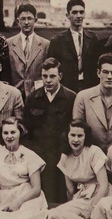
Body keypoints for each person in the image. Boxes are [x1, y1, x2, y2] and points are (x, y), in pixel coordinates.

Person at [44, 120, 109, 219]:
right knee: (54, 215)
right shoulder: (65, 156)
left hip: (99, 196)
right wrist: (71, 210)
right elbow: (70, 190)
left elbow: (104, 185)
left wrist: (91, 207)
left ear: (86, 137)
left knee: (62, 218)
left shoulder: (93, 152)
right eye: (72, 135)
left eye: (80, 136)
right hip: (81, 197)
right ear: (67, 136)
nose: (76, 140)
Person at [23, 58, 77, 204]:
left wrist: (67, 152)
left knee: (62, 197)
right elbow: (27, 129)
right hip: (39, 156)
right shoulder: (33, 98)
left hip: (62, 156)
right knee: (41, 197)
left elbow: (75, 128)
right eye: (44, 76)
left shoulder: (71, 98)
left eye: (52, 76)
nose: (48, 80)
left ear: (60, 76)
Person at [45, 0, 99, 93]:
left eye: (81, 12)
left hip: (89, 88)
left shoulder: (93, 39)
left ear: (85, 14)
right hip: (66, 89)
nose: (78, 16)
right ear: (67, 15)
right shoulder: (57, 41)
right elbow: (51, 69)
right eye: (74, 12)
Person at [5, 4, 50, 98]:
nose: (26, 22)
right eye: (23, 19)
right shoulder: (9, 43)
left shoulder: (45, 44)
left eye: (29, 18)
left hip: (37, 95)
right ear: (18, 21)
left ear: (35, 20)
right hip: (15, 94)